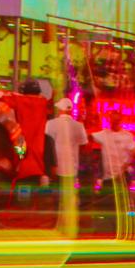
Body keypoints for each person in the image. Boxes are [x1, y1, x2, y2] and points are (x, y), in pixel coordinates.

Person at [44, 98, 88, 236]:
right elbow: (84, 144)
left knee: (56, 199)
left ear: (59, 109)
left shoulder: (50, 124)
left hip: (55, 167)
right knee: (69, 199)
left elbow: (47, 145)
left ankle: (57, 226)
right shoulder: (78, 126)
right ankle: (69, 226)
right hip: (71, 168)